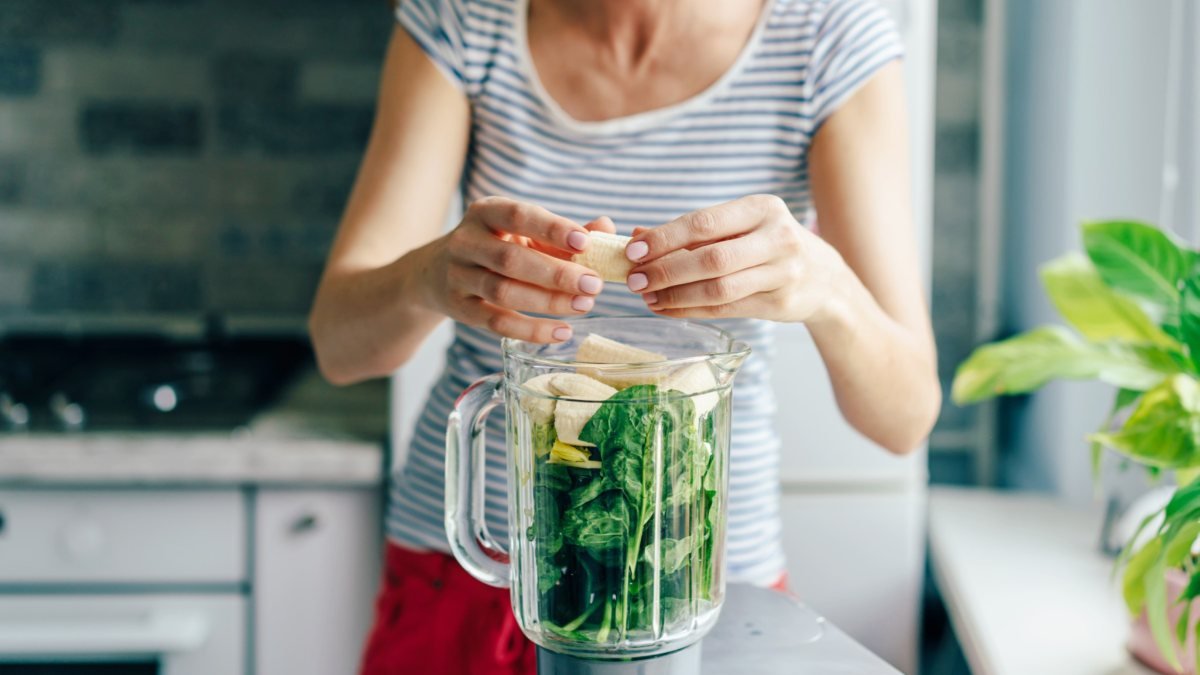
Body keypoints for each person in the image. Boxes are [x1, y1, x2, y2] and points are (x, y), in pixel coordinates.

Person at [308, 0, 940, 671]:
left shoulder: (829, 36)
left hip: (692, 590)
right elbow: (341, 347)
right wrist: (428, 277)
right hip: (475, 574)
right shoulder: (467, 19)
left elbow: (904, 417)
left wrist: (829, 288)